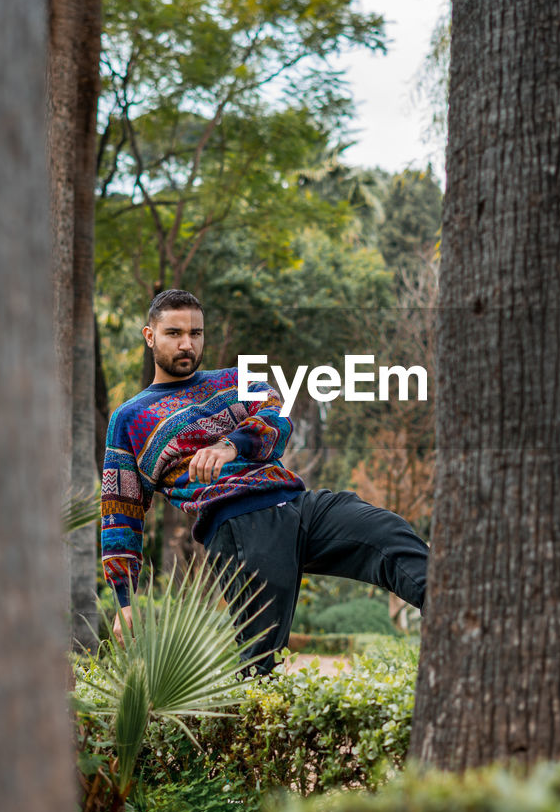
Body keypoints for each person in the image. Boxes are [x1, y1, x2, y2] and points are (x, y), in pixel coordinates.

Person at [101, 288, 427, 672]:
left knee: (389, 535)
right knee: (261, 667)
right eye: (174, 333)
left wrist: (231, 445)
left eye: (196, 333)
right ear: (149, 336)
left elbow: (277, 416)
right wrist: (124, 600)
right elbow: (120, 514)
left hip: (298, 506)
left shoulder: (233, 381)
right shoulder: (130, 418)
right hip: (239, 527)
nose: (187, 343)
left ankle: (473, 624)